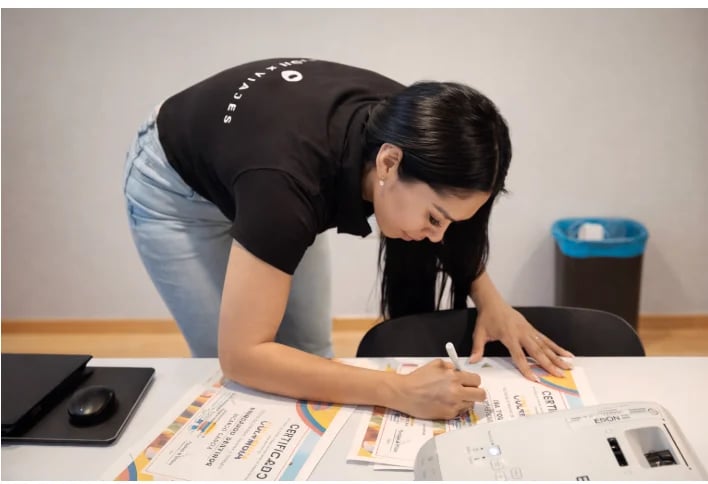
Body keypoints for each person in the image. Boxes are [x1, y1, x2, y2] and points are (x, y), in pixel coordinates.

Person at [123, 57, 572, 420]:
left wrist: (492, 302)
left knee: (312, 353)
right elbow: (242, 357)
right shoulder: (286, 187)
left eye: (453, 224)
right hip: (177, 190)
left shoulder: (414, 128)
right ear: (389, 164)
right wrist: (394, 390)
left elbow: (444, 217)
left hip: (260, 167)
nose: (439, 239)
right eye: (435, 218)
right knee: (240, 365)